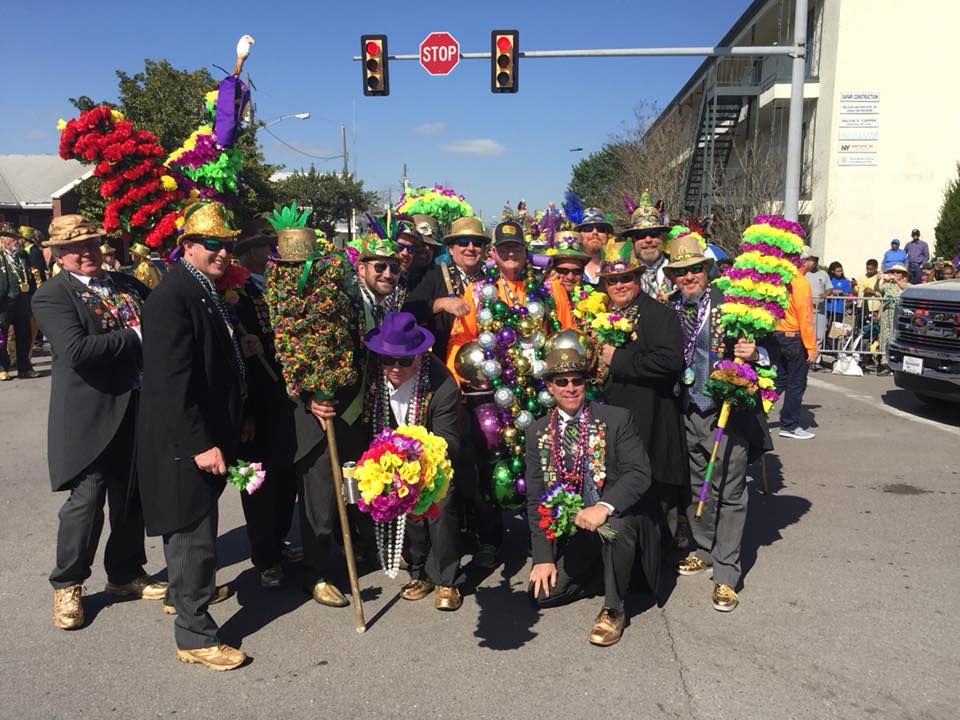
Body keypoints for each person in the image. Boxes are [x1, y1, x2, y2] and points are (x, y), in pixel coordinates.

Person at [31, 214, 166, 630]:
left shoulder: (125, 284)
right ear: (57, 254)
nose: (86, 253)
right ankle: (68, 583)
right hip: (90, 415)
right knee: (86, 504)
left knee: (130, 500)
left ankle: (124, 573)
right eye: (74, 248)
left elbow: (164, 316)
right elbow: (76, 350)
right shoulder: (53, 295)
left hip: (137, 408)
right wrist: (138, 336)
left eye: (92, 244)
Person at [137, 201, 248, 671]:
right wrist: (200, 442)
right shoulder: (172, 296)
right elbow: (170, 380)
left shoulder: (202, 288)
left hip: (200, 432)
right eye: (213, 244)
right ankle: (195, 634)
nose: (223, 253)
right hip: (182, 442)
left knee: (195, 531)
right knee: (191, 535)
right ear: (187, 246)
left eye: (228, 244)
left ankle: (188, 596)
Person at [446, 219, 576, 568]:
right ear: (494, 254)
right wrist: (463, 378)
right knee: (491, 469)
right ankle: (490, 540)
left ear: (524, 250)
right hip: (494, 396)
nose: (510, 254)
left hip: (540, 393)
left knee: (547, 465)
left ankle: (549, 537)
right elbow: (461, 340)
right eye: (503, 249)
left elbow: (567, 336)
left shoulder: (551, 290)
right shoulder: (477, 292)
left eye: (515, 247)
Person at [292, 232, 401, 609]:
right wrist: (308, 396)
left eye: (393, 266)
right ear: (361, 266)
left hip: (363, 414)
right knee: (321, 500)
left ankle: (368, 552)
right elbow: (299, 344)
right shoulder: (336, 298)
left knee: (362, 489)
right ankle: (318, 575)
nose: (388, 273)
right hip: (325, 413)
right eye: (379, 266)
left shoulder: (387, 305)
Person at [667, 234, 774, 612]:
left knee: (729, 491)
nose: (688, 277)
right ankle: (705, 548)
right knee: (699, 487)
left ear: (707, 270)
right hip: (687, 410)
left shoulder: (733, 306)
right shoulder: (672, 307)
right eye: (680, 272)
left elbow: (769, 347)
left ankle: (727, 573)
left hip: (726, 411)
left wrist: (754, 351)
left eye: (694, 269)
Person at [526, 348, 660, 646]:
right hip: (574, 526)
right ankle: (604, 571)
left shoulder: (616, 419)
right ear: (550, 386)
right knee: (542, 595)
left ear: (586, 383)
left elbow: (638, 473)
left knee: (618, 527)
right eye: (562, 382)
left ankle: (614, 608)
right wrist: (543, 557)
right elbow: (537, 498)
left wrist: (603, 505)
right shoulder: (537, 432)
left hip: (613, 517)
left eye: (577, 380)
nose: (570, 388)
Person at [364, 312, 468, 610]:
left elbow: (448, 440)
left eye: (404, 361)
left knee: (439, 505)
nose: (395, 368)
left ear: (419, 356)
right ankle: (420, 571)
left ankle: (447, 579)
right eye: (387, 359)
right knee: (399, 503)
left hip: (437, 455)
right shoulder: (376, 375)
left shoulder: (442, 385)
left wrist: (414, 464)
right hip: (395, 455)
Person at [595, 237, 687, 546]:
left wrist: (618, 359)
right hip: (615, 421)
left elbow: (671, 361)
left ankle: (657, 565)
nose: (619, 285)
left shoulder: (659, 314)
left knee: (655, 497)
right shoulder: (600, 316)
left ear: (638, 279)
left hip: (651, 419)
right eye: (612, 280)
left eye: (625, 278)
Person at [232, 222, 300, 589]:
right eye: (265, 248)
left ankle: (277, 542)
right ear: (251, 253)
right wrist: (243, 412)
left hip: (278, 398)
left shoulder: (272, 287)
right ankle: (264, 557)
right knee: (253, 481)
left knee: (283, 473)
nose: (272, 253)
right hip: (249, 405)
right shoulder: (234, 293)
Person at [403, 216, 489, 362]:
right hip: (443, 367)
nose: (470, 248)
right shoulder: (434, 275)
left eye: (477, 243)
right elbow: (408, 312)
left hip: (485, 366)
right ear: (450, 249)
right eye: (463, 243)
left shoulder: (492, 281)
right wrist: (440, 304)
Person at [774, 255, 817, 440]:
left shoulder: (780, 280)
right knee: (796, 382)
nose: (813, 263)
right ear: (804, 260)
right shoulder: (801, 283)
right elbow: (805, 316)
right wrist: (812, 346)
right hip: (793, 336)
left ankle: (757, 414)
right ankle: (789, 425)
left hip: (777, 334)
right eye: (811, 259)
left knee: (779, 379)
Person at [0, 222, 38, 380]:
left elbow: (31, 276)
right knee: (1, 335)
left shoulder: (23, 255)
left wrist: (33, 295)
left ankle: (25, 367)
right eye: (12, 238)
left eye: (16, 238)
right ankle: (2, 367)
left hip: (22, 300)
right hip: (3, 301)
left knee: (24, 335)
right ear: (3, 239)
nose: (16, 241)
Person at [622, 192, 673, 301]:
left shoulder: (678, 269)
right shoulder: (623, 274)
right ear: (632, 240)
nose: (648, 240)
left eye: (654, 233)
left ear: (663, 237)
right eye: (641, 235)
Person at [876, 263, 910, 376]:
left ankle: (897, 363)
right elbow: (879, 290)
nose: (895, 274)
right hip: (887, 313)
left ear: (903, 274)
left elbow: (908, 289)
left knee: (896, 338)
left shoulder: (906, 285)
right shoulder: (887, 285)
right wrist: (878, 279)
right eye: (893, 272)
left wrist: (897, 281)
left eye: (898, 272)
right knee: (884, 338)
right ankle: (885, 364)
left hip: (899, 315)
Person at [802, 249, 830, 369]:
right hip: (805, 309)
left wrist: (826, 294)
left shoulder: (823, 274)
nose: (813, 263)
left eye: (815, 261)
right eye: (811, 260)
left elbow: (829, 288)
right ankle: (805, 357)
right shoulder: (803, 273)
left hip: (820, 309)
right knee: (806, 333)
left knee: (819, 335)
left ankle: (815, 360)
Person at [573, 207, 613, 286]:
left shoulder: (618, 265)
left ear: (608, 236)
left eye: (600, 229)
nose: (595, 232)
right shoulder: (569, 267)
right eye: (588, 229)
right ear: (578, 235)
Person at [546, 230, 591, 296]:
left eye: (576, 271)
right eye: (563, 271)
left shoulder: (592, 300)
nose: (570, 277)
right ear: (551, 270)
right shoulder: (539, 300)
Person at [824, 261, 854, 327]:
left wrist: (842, 292)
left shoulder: (845, 281)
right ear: (832, 271)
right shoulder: (828, 279)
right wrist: (831, 291)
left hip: (839, 309)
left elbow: (849, 295)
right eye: (838, 271)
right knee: (826, 327)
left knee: (836, 328)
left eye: (841, 271)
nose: (840, 273)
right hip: (828, 308)